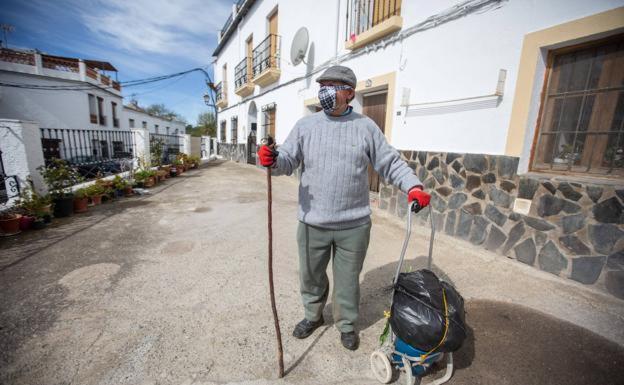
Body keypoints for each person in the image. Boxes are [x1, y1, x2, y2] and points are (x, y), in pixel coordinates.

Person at [257, 65, 431, 351]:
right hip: (313, 222)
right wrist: (271, 159)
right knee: (310, 276)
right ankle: (312, 316)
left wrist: (413, 186)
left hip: (354, 225)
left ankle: (346, 325)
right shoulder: (305, 126)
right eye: (322, 86)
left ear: (349, 93)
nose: (325, 92)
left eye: (332, 86)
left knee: (348, 281)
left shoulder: (365, 127)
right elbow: (286, 160)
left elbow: (390, 162)